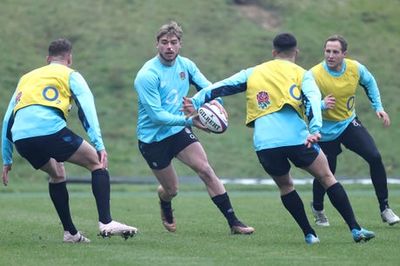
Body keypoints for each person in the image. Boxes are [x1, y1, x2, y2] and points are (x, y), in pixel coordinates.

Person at [183, 32, 375, 244]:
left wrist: (197, 100)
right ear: (296, 52)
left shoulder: (253, 72)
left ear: (274, 52)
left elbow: (220, 87)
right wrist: (315, 129)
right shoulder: (302, 74)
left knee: (286, 187)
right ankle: (356, 229)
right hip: (297, 139)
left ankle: (309, 234)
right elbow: (313, 100)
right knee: (327, 177)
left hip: (265, 144)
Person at [1, 38, 138, 243]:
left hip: (22, 138)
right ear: (69, 59)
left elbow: (7, 118)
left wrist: (7, 158)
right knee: (97, 163)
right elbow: (87, 109)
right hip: (49, 130)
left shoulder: (26, 78)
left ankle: (70, 234)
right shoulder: (70, 74)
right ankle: (106, 222)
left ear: (48, 59)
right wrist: (99, 145)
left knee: (57, 173)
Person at [133, 21, 254, 235]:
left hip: (178, 132)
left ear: (180, 44)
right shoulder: (147, 75)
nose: (169, 47)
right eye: (164, 43)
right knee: (172, 189)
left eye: (173, 42)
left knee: (206, 170)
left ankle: (234, 222)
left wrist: (208, 105)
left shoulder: (186, 65)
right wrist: (190, 120)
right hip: (153, 139)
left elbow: (210, 89)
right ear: (157, 45)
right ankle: (164, 202)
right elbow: (157, 115)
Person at [309, 35, 400, 227]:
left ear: (344, 54)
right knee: (326, 172)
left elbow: (370, 82)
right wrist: (322, 105)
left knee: (374, 156)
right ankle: (318, 208)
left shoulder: (355, 68)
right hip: (324, 131)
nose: (330, 55)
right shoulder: (314, 74)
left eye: (335, 52)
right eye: (327, 51)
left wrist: (379, 107)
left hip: (348, 123)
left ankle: (385, 208)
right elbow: (303, 103)